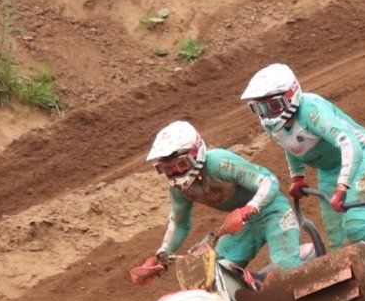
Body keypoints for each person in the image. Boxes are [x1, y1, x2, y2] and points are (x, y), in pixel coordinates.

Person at [128, 120, 304, 286]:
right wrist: (161, 257)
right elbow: (179, 224)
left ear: (195, 154)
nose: (176, 172)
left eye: (181, 164)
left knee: (288, 271)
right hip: (242, 225)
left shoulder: (220, 162)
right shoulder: (179, 189)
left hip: (273, 212)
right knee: (212, 277)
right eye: (168, 168)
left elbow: (268, 181)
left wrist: (249, 208)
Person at [241, 63, 365, 249]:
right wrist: (298, 176)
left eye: (273, 106)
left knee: (358, 226)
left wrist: (342, 187)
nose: (267, 115)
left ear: (290, 97)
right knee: (337, 240)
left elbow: (349, 144)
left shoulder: (312, 111)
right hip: (329, 170)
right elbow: (290, 144)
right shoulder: (274, 127)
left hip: (361, 157)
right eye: (260, 108)